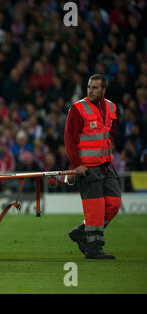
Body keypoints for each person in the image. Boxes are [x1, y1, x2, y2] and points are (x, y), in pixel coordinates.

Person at [65, 74, 121, 259]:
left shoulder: (112, 107)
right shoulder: (78, 109)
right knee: (95, 208)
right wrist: (77, 165)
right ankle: (94, 248)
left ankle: (82, 231)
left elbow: (110, 133)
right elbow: (70, 139)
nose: (91, 90)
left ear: (103, 90)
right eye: (89, 86)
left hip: (106, 163)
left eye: (95, 87)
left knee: (113, 203)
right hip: (88, 167)